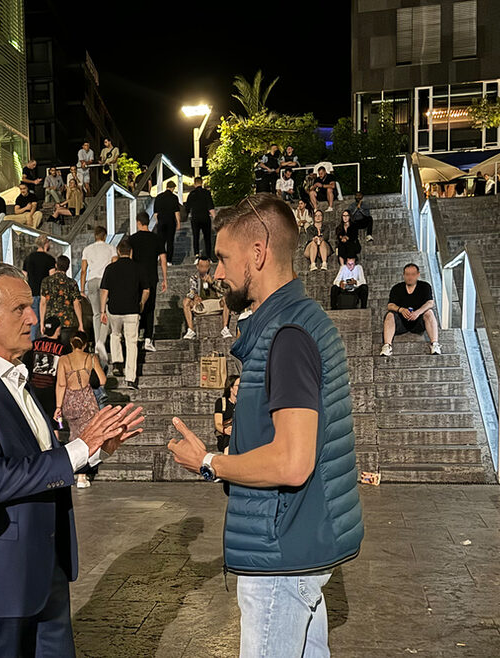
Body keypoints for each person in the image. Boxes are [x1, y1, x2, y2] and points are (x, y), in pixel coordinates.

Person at [166, 193, 364, 658]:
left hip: (280, 556)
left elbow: (293, 463)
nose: (216, 272)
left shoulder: (288, 335)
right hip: (294, 548)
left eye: (222, 258)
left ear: (258, 253)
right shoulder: (295, 323)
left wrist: (209, 461)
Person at [0, 262, 144, 657]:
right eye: (20, 309)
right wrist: (79, 447)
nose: (34, 317)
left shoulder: (15, 375)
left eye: (32, 306)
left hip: (47, 565)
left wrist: (93, 451)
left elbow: (40, 458)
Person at [54, 331, 107, 489]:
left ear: (71, 343)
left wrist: (58, 407)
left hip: (70, 401)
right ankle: (82, 476)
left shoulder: (63, 359)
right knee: (86, 436)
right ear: (85, 344)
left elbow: (61, 384)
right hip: (87, 400)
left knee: (74, 435)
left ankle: (75, 471)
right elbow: (103, 380)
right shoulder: (91, 358)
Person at [99, 238, 149, 389]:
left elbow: (104, 291)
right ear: (131, 252)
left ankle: (117, 362)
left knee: (115, 335)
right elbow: (146, 290)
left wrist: (102, 310)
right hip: (132, 309)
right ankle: (131, 378)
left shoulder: (110, 268)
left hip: (114, 309)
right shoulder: (138, 268)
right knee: (131, 342)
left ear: (119, 252)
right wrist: (141, 303)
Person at [380, 263, 441, 356]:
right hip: (401, 322)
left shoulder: (424, 286)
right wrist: (401, 310)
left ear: (418, 275)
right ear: (404, 275)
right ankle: (387, 346)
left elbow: (430, 303)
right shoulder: (397, 288)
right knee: (389, 315)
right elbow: (390, 305)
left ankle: (434, 344)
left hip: (418, 321)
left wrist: (418, 312)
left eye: (413, 274)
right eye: (407, 274)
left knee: (429, 312)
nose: (410, 277)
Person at [128, 211, 168, 352]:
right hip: (151, 277)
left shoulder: (132, 239)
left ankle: (137, 334)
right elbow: (163, 259)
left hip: (135, 278)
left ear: (138, 222)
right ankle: (148, 339)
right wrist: (165, 279)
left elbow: (129, 259)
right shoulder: (156, 238)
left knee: (137, 306)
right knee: (150, 307)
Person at [80, 226, 117, 364]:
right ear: (105, 236)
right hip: (105, 280)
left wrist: (82, 289)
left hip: (91, 281)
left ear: (95, 236)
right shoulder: (110, 248)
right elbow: (114, 264)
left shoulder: (87, 249)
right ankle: (103, 341)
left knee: (96, 314)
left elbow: (83, 270)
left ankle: (97, 344)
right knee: (106, 312)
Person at [23, 317, 69, 426]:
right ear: (58, 329)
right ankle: (58, 437)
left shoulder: (34, 344)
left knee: (36, 420)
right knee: (56, 423)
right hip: (53, 390)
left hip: (34, 388)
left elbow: (25, 364)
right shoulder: (63, 348)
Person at [181, 258, 232, 340]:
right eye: (201, 266)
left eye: (206, 266)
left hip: (216, 303)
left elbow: (224, 291)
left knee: (227, 299)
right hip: (201, 304)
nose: (204, 269)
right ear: (197, 266)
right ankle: (191, 330)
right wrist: (195, 297)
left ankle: (225, 329)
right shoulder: (194, 278)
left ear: (209, 267)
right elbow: (192, 290)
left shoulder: (215, 277)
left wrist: (212, 282)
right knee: (186, 301)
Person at [40, 255, 84, 345]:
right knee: (65, 350)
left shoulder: (46, 281)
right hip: (67, 321)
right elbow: (77, 304)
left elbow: (43, 303)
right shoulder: (72, 283)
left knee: (51, 348)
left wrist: (41, 323)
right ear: (68, 267)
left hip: (50, 321)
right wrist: (80, 323)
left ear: (56, 265)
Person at [22, 235, 56, 340]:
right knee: (45, 321)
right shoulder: (49, 259)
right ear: (46, 244)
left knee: (33, 322)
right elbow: (52, 278)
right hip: (44, 294)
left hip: (31, 293)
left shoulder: (29, 258)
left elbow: (24, 276)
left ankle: (32, 346)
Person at [186, 176, 216, 261]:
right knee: (207, 237)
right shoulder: (206, 193)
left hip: (195, 218)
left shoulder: (191, 194)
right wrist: (215, 218)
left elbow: (187, 208)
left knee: (196, 236)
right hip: (205, 217)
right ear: (201, 183)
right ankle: (209, 256)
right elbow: (210, 206)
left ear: (194, 183)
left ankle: (196, 255)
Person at [153, 180, 182, 265]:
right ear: (173, 188)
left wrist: (158, 221)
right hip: (170, 222)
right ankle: (169, 260)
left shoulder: (158, 197)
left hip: (161, 221)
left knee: (161, 241)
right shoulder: (174, 198)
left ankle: (161, 258)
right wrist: (178, 223)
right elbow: (176, 212)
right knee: (170, 241)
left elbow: (155, 213)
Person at [213, 375, 238, 454]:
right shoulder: (222, 402)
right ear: (231, 388)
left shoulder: (244, 403)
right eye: (238, 386)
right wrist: (225, 430)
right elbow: (218, 423)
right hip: (226, 436)